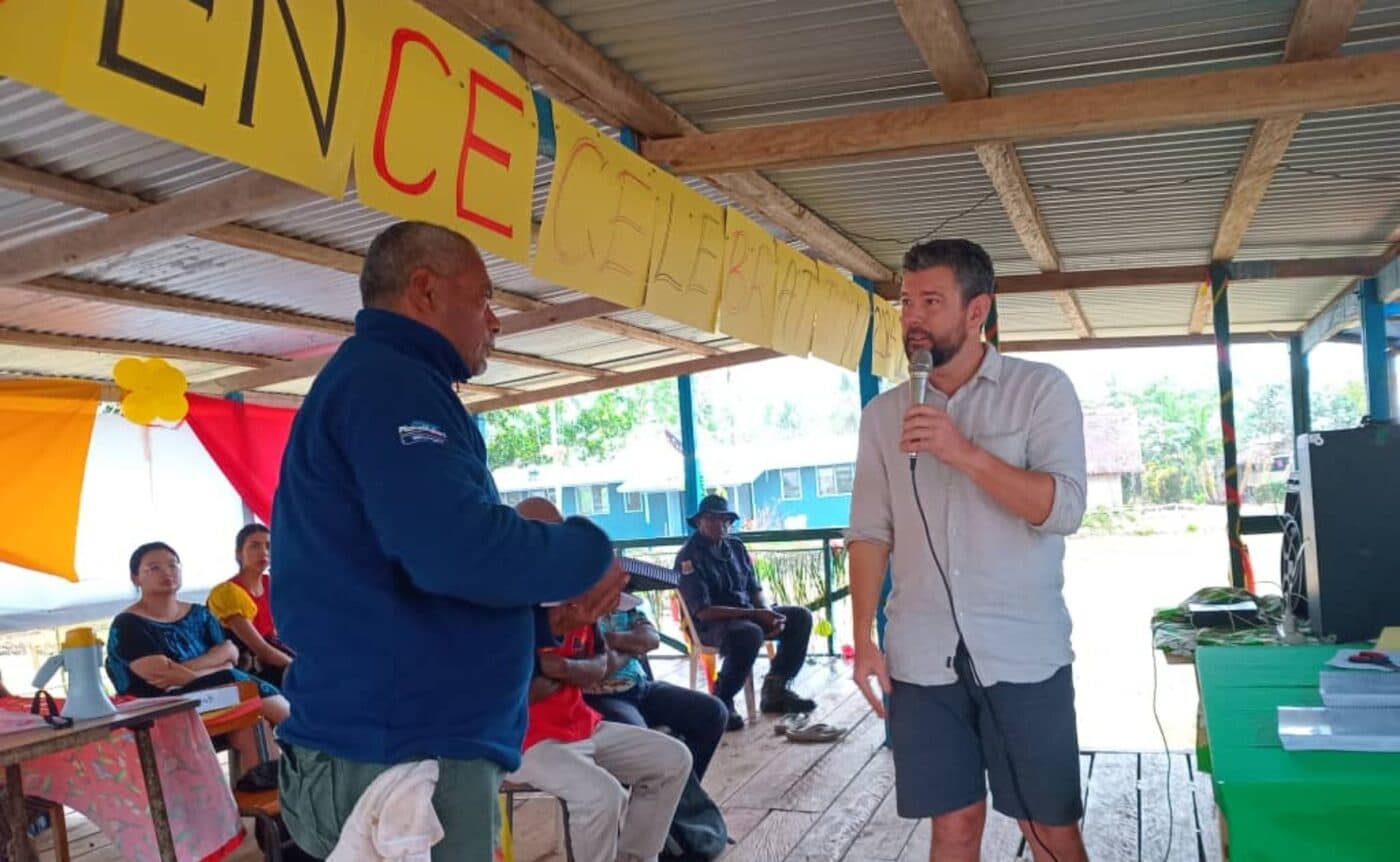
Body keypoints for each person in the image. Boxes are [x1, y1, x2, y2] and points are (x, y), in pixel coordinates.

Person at [271, 221, 625, 862]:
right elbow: (456, 550)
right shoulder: (391, 383)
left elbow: (405, 573)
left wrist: (538, 617)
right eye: (484, 298)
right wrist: (589, 554)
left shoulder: (388, 381)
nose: (495, 321)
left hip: (403, 743)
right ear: (425, 291)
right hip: (401, 754)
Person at [846, 239, 1088, 862]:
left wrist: (965, 452)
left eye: (932, 300)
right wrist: (864, 640)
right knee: (952, 827)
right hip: (921, 657)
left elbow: (1062, 508)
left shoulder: (1040, 391)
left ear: (977, 310)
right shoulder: (882, 416)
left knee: (1048, 827)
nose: (913, 318)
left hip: (1022, 652)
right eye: (905, 303)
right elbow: (870, 531)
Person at [517, 496, 728, 781]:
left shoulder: (606, 594)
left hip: (637, 684)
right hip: (594, 700)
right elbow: (585, 669)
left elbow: (649, 638)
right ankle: (679, 812)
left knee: (712, 712)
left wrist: (609, 645)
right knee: (647, 751)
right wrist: (626, 647)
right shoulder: (536, 601)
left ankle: (677, 803)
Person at [507, 600, 692, 862]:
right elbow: (519, 694)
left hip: (581, 725)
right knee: (603, 796)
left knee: (672, 759)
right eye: (605, 598)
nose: (610, 609)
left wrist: (561, 668)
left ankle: (634, 858)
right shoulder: (522, 620)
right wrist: (574, 670)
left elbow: (598, 668)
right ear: (572, 603)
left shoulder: (585, 622)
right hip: (520, 742)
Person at [106, 541, 290, 779]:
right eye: (154, 568)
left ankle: (265, 802)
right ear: (135, 578)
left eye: (173, 565)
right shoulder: (129, 624)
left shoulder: (200, 614)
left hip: (216, 701)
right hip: (162, 709)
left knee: (251, 717)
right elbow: (159, 675)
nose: (167, 572)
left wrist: (189, 673)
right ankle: (302, 729)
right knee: (234, 682)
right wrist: (215, 667)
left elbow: (230, 657)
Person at [675, 494, 816, 730]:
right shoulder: (689, 557)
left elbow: (754, 589)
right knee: (748, 633)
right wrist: (755, 615)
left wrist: (766, 610)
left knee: (800, 617)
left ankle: (776, 689)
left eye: (725, 520)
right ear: (699, 522)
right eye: (711, 519)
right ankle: (722, 699)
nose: (719, 525)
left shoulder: (736, 547)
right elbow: (704, 612)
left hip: (748, 615)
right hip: (712, 625)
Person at [206, 523, 293, 687]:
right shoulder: (227, 592)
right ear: (239, 553)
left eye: (268, 546)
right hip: (250, 667)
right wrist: (297, 666)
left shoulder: (272, 584)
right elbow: (261, 649)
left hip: (276, 654)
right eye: (255, 546)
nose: (264, 552)